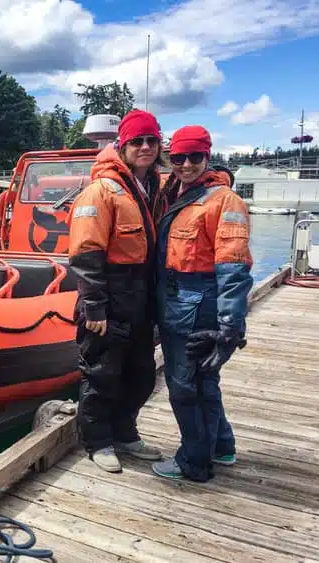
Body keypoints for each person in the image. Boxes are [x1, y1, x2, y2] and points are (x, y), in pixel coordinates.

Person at [151, 125, 253, 481]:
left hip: (197, 309)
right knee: (205, 382)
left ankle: (193, 462)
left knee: (184, 387)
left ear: (207, 157)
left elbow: (234, 266)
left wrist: (229, 325)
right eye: (179, 158)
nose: (187, 164)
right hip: (176, 302)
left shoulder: (225, 201)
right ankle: (221, 446)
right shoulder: (173, 192)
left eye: (195, 157)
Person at [66, 109, 164, 472]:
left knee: (140, 374)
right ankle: (97, 441)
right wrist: (94, 307)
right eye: (137, 141)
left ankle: (126, 434)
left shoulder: (153, 186)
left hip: (141, 298)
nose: (145, 147)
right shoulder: (102, 190)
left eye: (151, 140)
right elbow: (86, 251)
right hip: (109, 295)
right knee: (101, 373)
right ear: (122, 146)